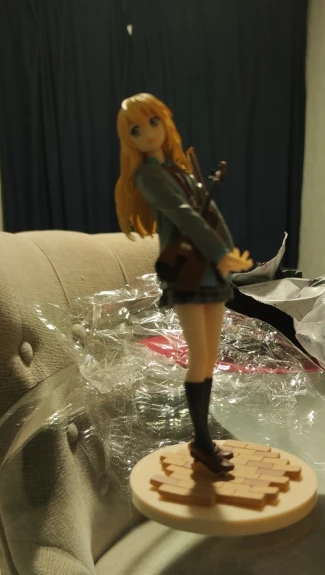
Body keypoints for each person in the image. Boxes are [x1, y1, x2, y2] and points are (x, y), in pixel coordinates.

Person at [115, 93, 252, 473]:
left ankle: (202, 440)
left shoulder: (182, 170)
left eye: (153, 122)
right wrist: (219, 252)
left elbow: (210, 213)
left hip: (210, 270)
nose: (148, 134)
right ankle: (202, 441)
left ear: (165, 123)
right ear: (129, 139)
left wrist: (227, 252)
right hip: (187, 270)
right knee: (198, 355)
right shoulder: (147, 176)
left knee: (209, 356)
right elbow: (185, 216)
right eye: (136, 130)